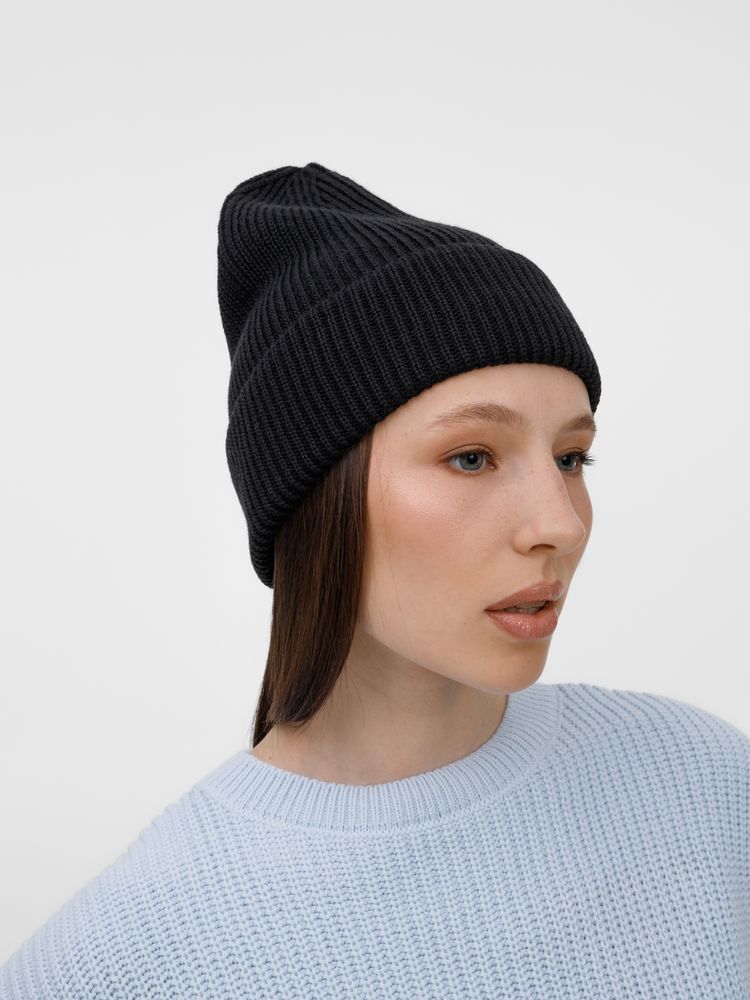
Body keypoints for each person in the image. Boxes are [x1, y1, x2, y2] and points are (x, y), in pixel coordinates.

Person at [1, 162, 747, 998]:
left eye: (571, 458)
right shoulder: (123, 958)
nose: (561, 524)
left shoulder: (700, 782)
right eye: (473, 457)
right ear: (317, 498)